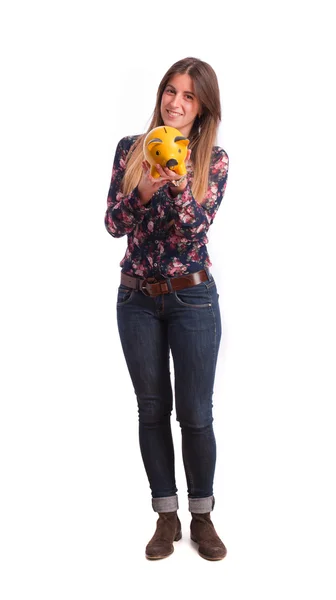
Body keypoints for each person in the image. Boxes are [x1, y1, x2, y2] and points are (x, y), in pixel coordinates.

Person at [104, 57, 229, 561]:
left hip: (192, 297)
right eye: (170, 91)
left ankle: (203, 516)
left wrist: (176, 184)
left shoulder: (212, 160)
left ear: (202, 109)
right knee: (152, 411)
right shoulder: (131, 151)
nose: (175, 103)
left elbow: (196, 229)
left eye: (188, 96)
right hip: (135, 298)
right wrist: (144, 188)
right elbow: (113, 224)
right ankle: (165, 516)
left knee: (195, 415)